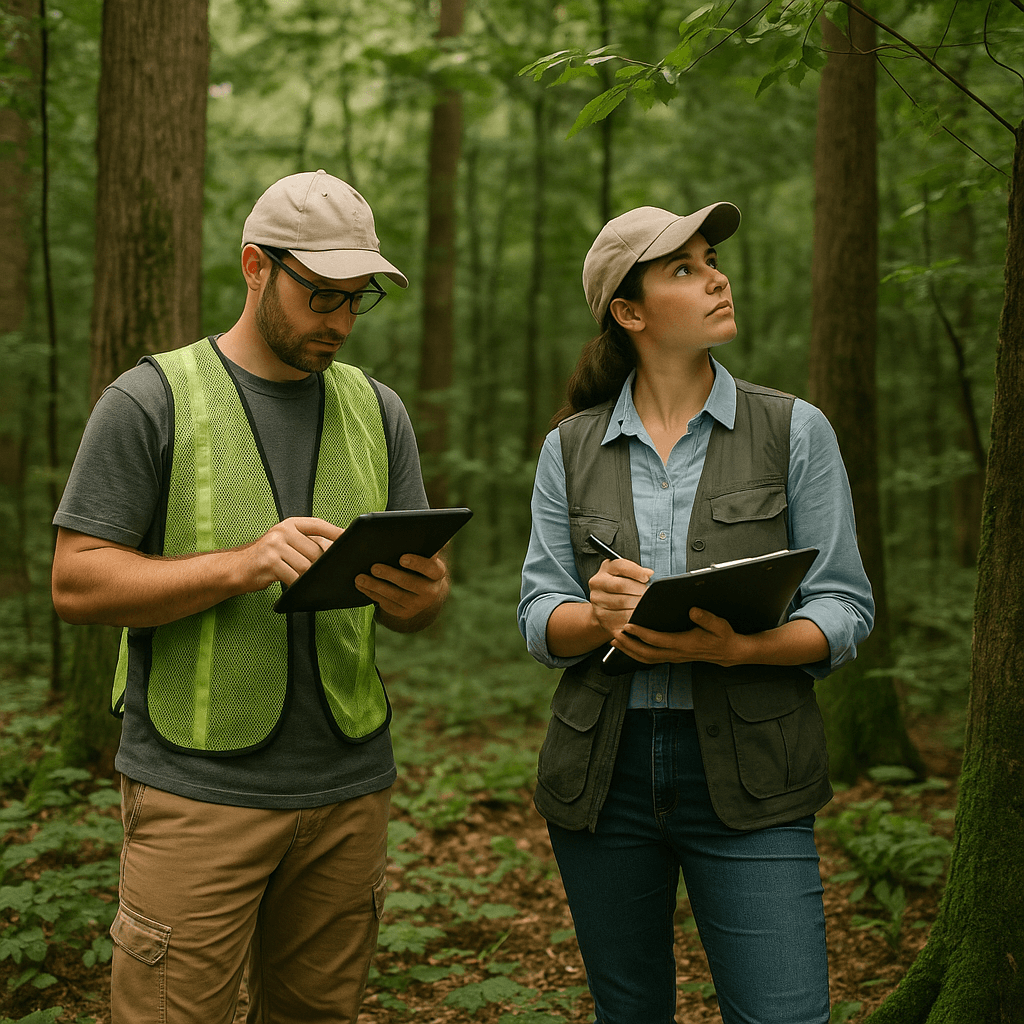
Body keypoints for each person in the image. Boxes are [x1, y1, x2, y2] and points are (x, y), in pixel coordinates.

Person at [51, 170, 449, 1024]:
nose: (340, 321)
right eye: (320, 295)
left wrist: (420, 593)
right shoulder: (150, 399)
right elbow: (77, 580)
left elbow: (418, 613)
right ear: (255, 266)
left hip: (349, 791)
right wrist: (242, 564)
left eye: (358, 299)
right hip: (196, 796)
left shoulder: (380, 412)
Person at [518, 202, 874, 1024]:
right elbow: (540, 613)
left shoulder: (794, 430)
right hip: (603, 778)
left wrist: (741, 650)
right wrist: (597, 619)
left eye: (711, 258)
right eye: (684, 267)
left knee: (785, 1013)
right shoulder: (569, 446)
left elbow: (845, 606)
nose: (716, 276)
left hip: (755, 769)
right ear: (630, 312)